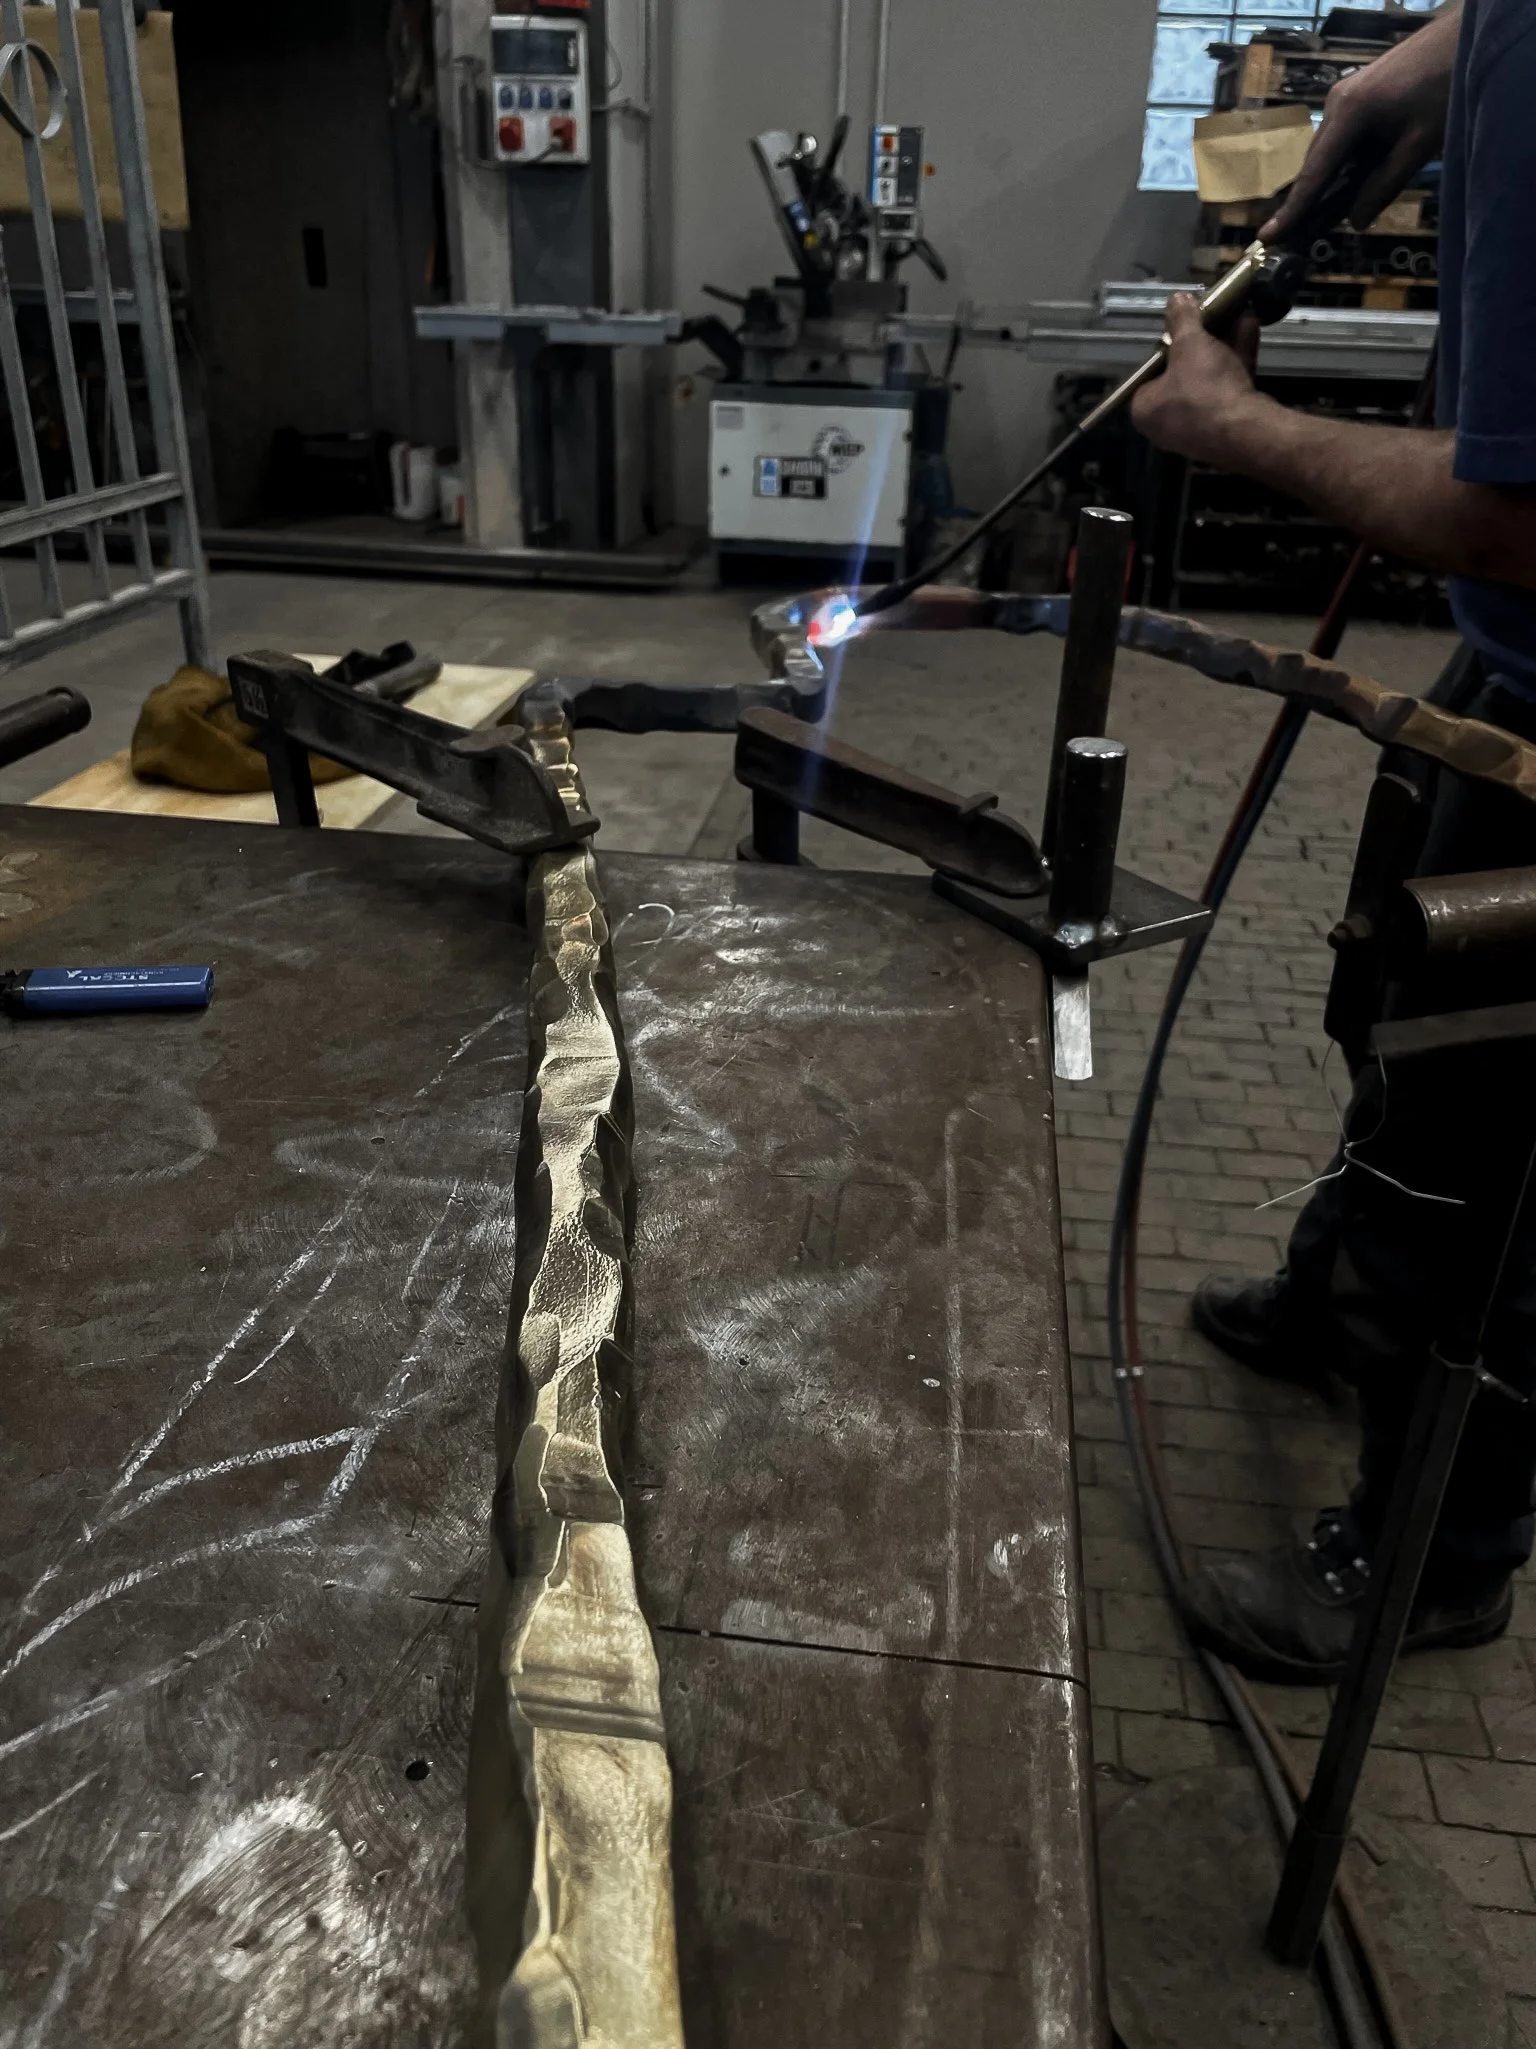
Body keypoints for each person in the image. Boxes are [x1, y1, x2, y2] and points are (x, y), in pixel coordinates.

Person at [1128, 0, 1536, 1682]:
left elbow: (1518, 513)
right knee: (1399, 1018)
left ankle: (1441, 1549)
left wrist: (1231, 432)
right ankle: (1334, 1297)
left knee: (1496, 1145)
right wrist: (1431, 61)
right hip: (1512, 665)